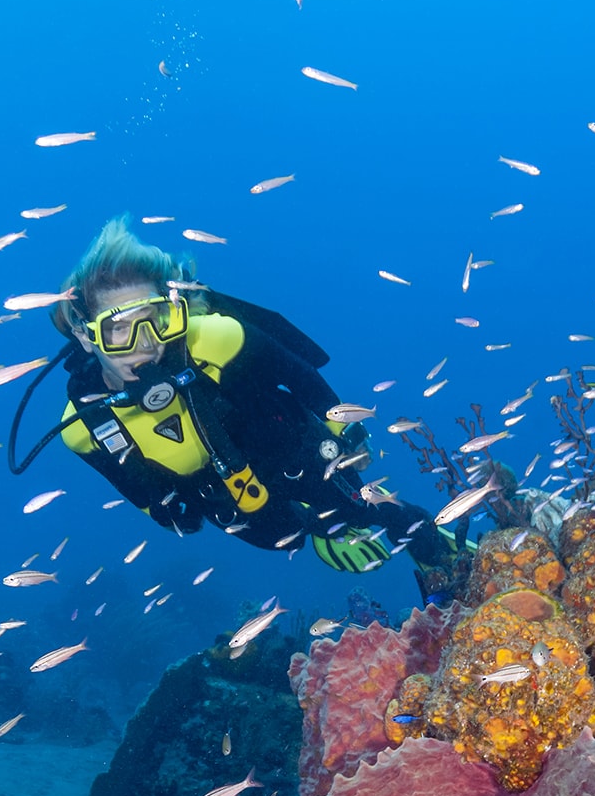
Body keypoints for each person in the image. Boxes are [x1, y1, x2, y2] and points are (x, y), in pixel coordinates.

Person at [35, 217, 458, 596]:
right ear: (86, 336)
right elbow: (145, 496)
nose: (145, 343)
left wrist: (341, 434)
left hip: (290, 451)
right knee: (286, 538)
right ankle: (321, 528)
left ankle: (440, 553)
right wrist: (168, 508)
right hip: (232, 502)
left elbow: (303, 379)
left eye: (156, 319)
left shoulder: (216, 337)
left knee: (364, 509)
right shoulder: (83, 427)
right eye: (118, 330)